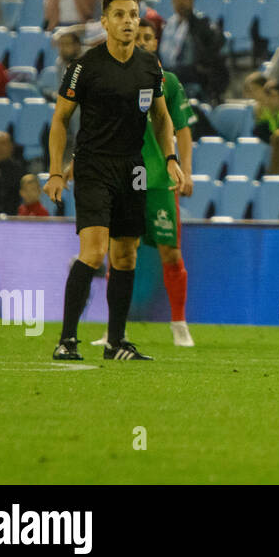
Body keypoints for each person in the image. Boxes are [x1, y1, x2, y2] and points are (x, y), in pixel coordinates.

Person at [47, 0, 188, 362]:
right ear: (105, 22)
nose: (129, 21)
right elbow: (60, 119)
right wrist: (56, 172)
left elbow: (161, 117)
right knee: (93, 252)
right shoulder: (85, 66)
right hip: (93, 165)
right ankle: (67, 340)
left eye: (133, 14)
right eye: (121, 15)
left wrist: (171, 158)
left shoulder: (149, 66)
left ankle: (116, 342)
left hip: (134, 168)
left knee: (126, 257)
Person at [85, 18, 197, 347]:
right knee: (120, 253)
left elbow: (183, 131)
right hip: (124, 180)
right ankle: (114, 330)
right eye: (141, 37)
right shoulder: (117, 79)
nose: (144, 42)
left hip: (160, 181)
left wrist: (185, 172)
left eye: (149, 37)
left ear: (156, 42)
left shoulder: (170, 82)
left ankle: (179, 323)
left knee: (171, 254)